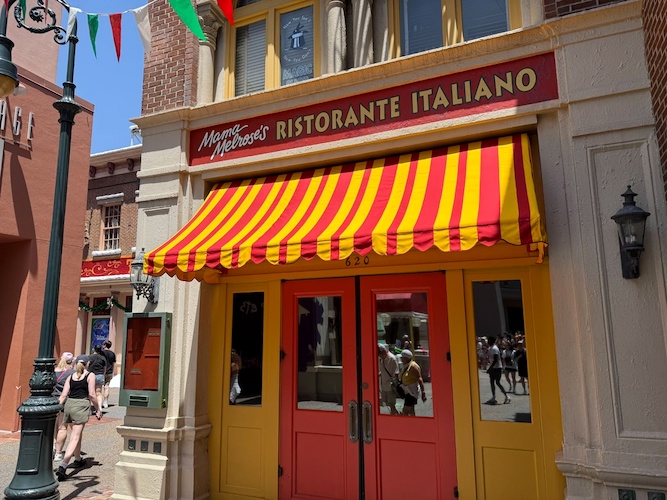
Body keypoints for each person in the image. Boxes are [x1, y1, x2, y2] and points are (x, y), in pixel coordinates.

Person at [55, 355, 102, 481]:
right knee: (75, 437)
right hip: (81, 405)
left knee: (76, 433)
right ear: (87, 364)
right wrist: (98, 409)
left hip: (69, 405)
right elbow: (92, 394)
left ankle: (77, 458)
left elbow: (64, 395)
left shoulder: (71, 376)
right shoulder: (90, 375)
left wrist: (57, 408)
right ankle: (63, 466)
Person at [53, 352, 75, 462]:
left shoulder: (54, 371)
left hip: (52, 400)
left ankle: (53, 448)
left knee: (53, 427)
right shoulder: (72, 373)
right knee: (62, 427)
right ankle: (58, 453)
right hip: (65, 401)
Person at [398, 349, 427, 416]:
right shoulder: (406, 365)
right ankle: (413, 421)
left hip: (411, 392)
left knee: (405, 410)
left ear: (406, 358)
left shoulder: (413, 366)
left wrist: (423, 392)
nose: (401, 359)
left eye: (402, 358)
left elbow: (420, 379)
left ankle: (405, 421)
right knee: (411, 410)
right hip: (407, 391)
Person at [486, 336, 510, 404]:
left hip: (497, 367)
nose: (488, 342)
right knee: (491, 382)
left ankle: (507, 396)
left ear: (491, 341)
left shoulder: (495, 348)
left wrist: (490, 368)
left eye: (489, 340)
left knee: (497, 382)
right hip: (493, 367)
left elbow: (495, 359)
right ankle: (493, 397)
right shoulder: (490, 348)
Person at [378, 344, 399, 414]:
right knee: (386, 403)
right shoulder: (381, 358)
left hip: (390, 385)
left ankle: (395, 416)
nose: (379, 355)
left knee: (391, 404)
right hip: (383, 385)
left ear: (383, 351)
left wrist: (394, 385)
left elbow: (396, 373)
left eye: (379, 353)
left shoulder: (392, 358)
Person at [88, 344, 107, 412]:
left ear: (94, 349)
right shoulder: (103, 358)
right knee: (98, 392)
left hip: (91, 375)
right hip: (100, 375)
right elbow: (104, 369)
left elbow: (87, 366)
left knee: (90, 392)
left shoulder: (89, 357)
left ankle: (89, 408)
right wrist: (103, 375)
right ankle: (99, 407)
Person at [101, 340, 116, 409]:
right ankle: (105, 402)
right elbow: (113, 364)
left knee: (99, 387)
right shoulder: (112, 354)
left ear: (105, 345)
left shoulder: (102, 353)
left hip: (101, 371)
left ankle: (99, 401)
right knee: (106, 386)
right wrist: (113, 372)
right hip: (109, 372)